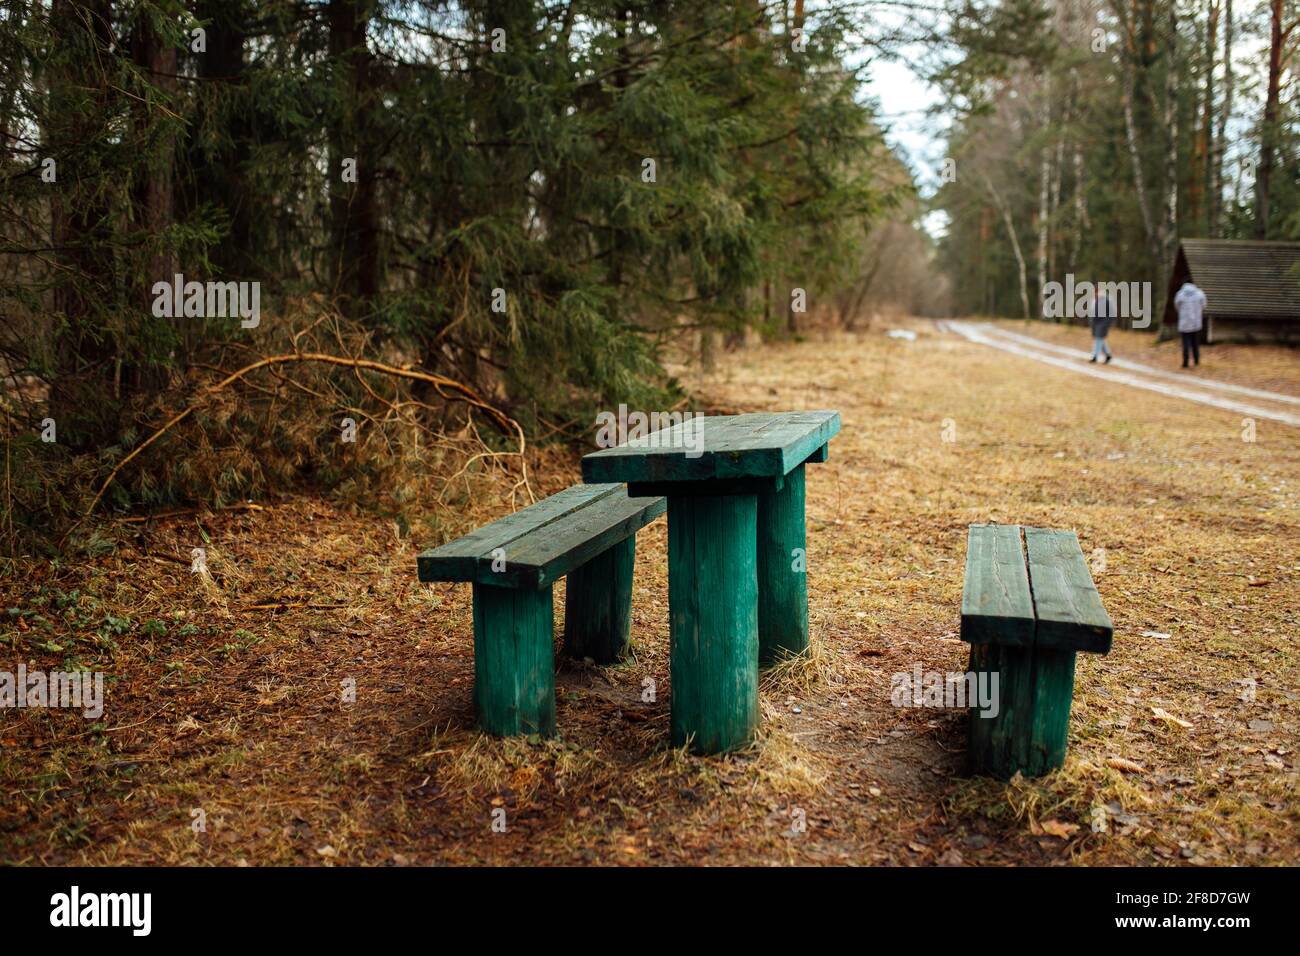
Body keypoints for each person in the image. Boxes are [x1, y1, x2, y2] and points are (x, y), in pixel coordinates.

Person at [1173, 280, 1207, 368]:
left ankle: (1185, 362)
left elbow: (1177, 306)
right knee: (1195, 343)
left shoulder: (1180, 294)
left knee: (1185, 344)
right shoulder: (1200, 293)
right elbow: (1204, 305)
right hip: (1196, 323)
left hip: (1184, 323)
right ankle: (1196, 362)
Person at [1089, 286, 1115, 364]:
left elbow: (1112, 313)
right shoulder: (1095, 300)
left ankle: (1094, 356)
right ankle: (1108, 355)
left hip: (1103, 323)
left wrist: (1107, 323)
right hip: (1096, 323)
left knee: (1098, 339)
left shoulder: (1107, 300)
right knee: (1101, 340)